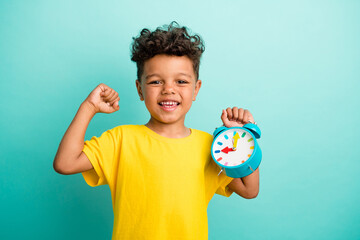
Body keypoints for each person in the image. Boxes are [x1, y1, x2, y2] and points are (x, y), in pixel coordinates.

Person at [53, 21, 259, 240]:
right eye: (155, 82)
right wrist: (89, 107)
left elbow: (249, 189)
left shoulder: (211, 146)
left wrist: (241, 139)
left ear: (196, 89)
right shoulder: (121, 139)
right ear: (140, 89)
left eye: (181, 81)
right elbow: (65, 163)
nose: (169, 89)